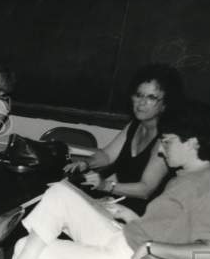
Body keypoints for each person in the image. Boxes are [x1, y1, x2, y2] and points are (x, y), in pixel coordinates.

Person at [0, 101, 210, 259]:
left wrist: (153, 248)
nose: (161, 150)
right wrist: (133, 218)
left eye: (166, 142)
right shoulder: (187, 176)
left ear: (192, 143)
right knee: (60, 192)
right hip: (124, 240)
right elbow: (173, 226)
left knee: (26, 247)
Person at [63, 63, 183, 204]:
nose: (141, 103)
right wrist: (86, 163)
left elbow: (145, 190)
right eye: (138, 95)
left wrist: (105, 185)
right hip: (118, 202)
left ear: (165, 104)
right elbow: (107, 155)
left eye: (151, 97)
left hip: (144, 211)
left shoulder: (166, 138)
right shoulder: (135, 124)